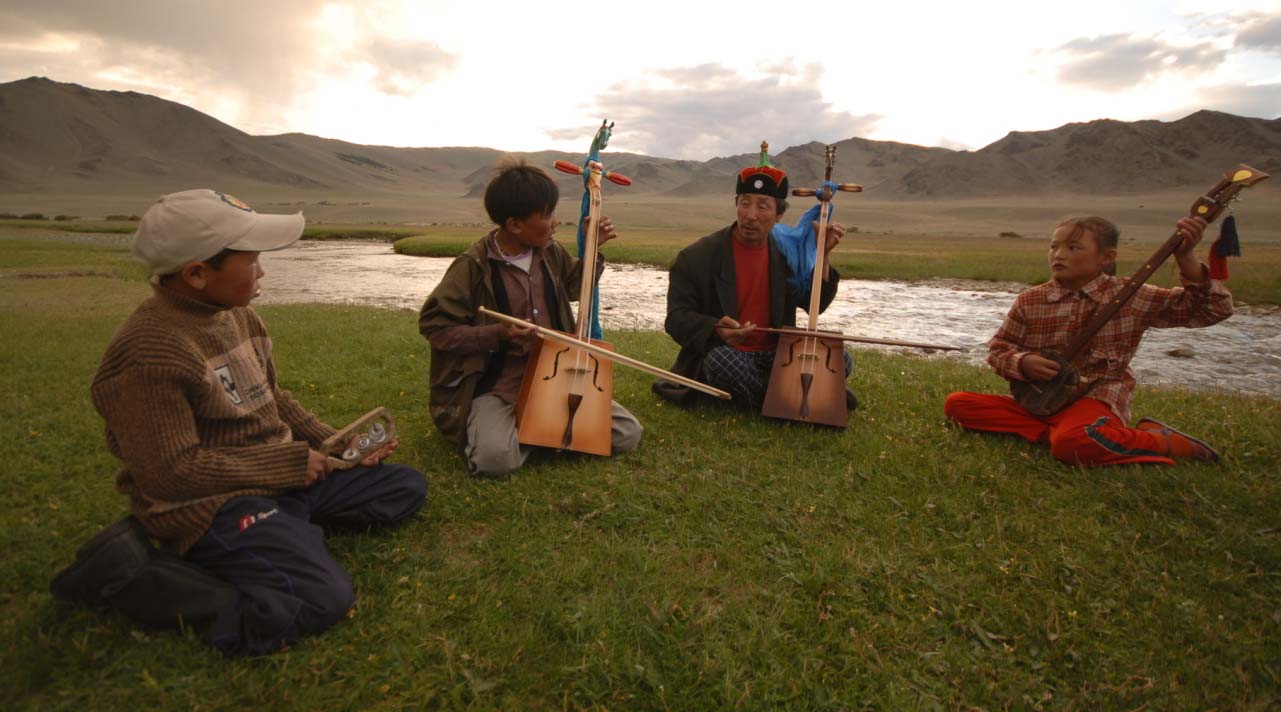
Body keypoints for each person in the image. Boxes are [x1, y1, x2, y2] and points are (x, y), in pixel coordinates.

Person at [50, 189, 427, 656]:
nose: (263, 270)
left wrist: (337, 444)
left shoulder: (237, 314)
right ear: (196, 274)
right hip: (212, 504)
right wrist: (287, 467)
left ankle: (281, 526)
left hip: (276, 482)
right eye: (251, 261)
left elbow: (272, 398)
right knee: (321, 598)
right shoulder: (150, 352)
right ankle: (137, 579)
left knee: (405, 487)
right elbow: (170, 473)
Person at [943, 215, 1234, 466]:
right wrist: (1023, 362)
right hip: (1043, 400)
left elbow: (1214, 309)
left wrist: (1186, 259)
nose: (1059, 255)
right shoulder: (1031, 300)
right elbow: (998, 350)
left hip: (1097, 396)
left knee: (1074, 443)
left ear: (1106, 258)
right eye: (1054, 246)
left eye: (1074, 248)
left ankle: (1162, 441)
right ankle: (1065, 433)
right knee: (958, 405)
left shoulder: (1131, 296)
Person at [419, 159, 642, 476]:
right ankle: (543, 431)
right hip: (499, 384)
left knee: (627, 434)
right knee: (494, 460)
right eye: (548, 215)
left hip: (553, 376)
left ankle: (537, 428)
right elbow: (436, 328)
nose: (555, 223)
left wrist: (594, 247)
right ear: (514, 225)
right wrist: (497, 333)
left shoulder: (549, 251)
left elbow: (575, 287)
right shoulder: (472, 265)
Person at [656, 144, 853, 411]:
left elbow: (813, 305)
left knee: (841, 358)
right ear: (735, 204)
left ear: (779, 214)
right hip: (728, 354)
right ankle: (792, 396)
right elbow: (676, 318)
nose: (750, 215)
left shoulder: (785, 254)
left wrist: (823, 255)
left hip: (778, 356)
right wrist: (715, 328)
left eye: (762, 206)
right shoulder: (696, 257)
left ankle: (772, 393)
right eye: (744, 203)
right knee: (722, 364)